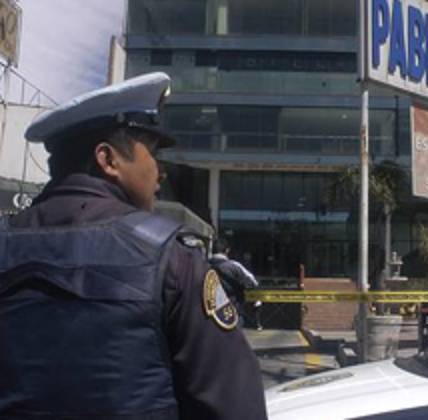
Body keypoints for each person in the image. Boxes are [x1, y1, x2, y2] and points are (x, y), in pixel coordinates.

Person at [0, 73, 267, 420]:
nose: (161, 173)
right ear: (108, 160)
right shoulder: (172, 258)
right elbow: (234, 407)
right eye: (152, 154)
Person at [209, 238, 261, 328]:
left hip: (208, 315)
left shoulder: (202, 265)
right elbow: (253, 283)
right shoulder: (234, 266)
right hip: (232, 314)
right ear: (227, 250)